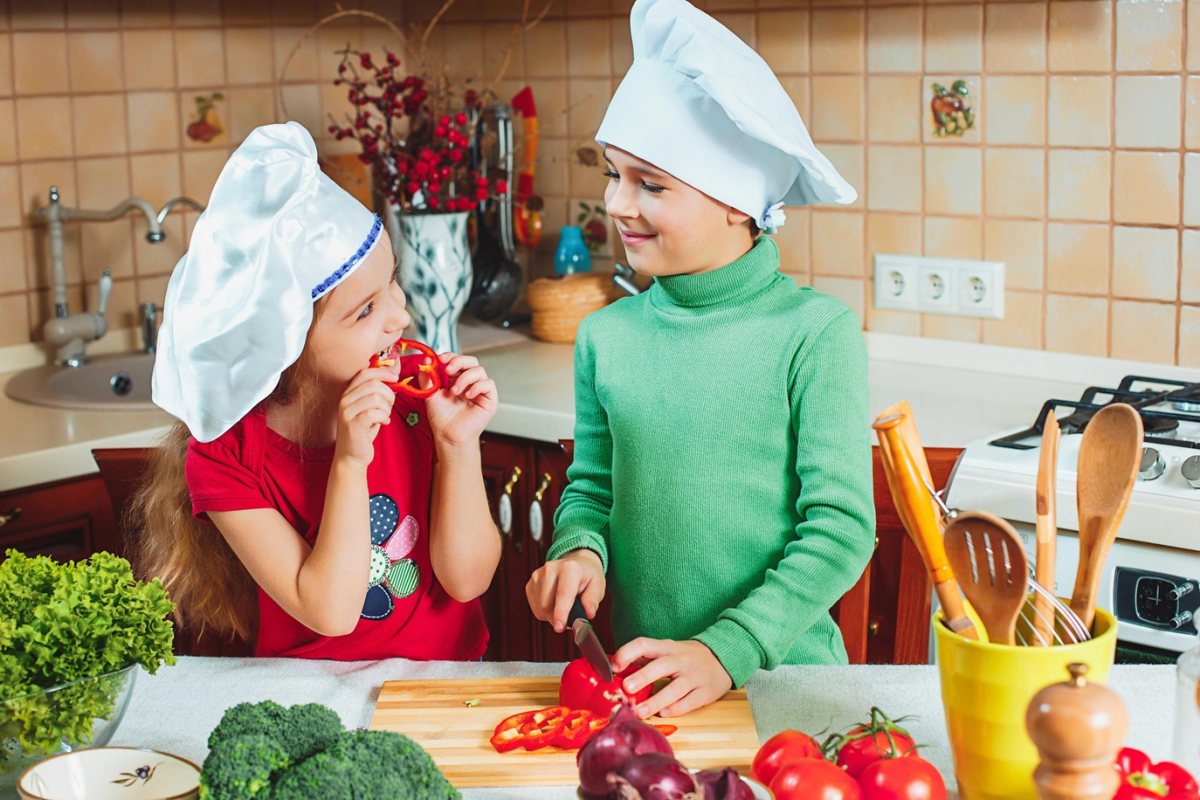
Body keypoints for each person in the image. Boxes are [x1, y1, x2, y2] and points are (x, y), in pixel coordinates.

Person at [526, 0, 876, 717]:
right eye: (613, 173)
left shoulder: (815, 333)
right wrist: (580, 551)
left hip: (788, 689)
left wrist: (729, 648)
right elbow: (592, 491)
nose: (617, 203)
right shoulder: (606, 337)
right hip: (649, 686)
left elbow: (841, 529)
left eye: (652, 184)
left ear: (737, 206)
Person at [134, 121, 501, 661]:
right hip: (310, 696)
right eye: (365, 310)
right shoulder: (225, 455)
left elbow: (469, 581)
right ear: (286, 344)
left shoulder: (420, 400)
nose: (400, 316)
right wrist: (351, 461)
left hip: (443, 685)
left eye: (392, 281)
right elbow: (329, 610)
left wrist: (455, 446)